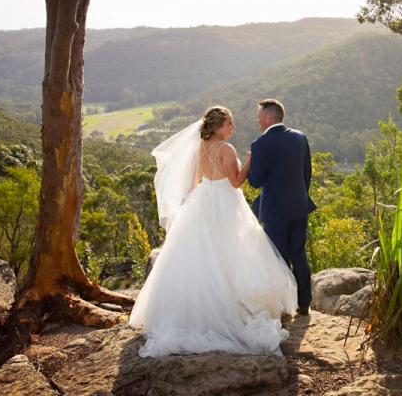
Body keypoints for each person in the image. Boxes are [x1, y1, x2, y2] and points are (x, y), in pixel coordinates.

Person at [129, 106, 297, 358]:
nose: (233, 127)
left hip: (203, 201)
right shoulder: (226, 149)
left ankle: (202, 307)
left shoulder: (198, 147)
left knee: (206, 255)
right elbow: (236, 181)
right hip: (226, 204)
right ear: (218, 126)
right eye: (230, 123)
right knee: (233, 251)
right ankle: (231, 306)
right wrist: (251, 160)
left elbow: (192, 184)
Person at [248, 99, 316, 315]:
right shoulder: (300, 137)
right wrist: (299, 197)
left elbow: (255, 181)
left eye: (259, 117)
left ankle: (284, 305)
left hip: (274, 211)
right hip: (299, 206)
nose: (258, 121)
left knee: (277, 257)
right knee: (299, 253)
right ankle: (304, 304)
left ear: (269, 118)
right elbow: (307, 174)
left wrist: (251, 162)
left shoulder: (259, 145)